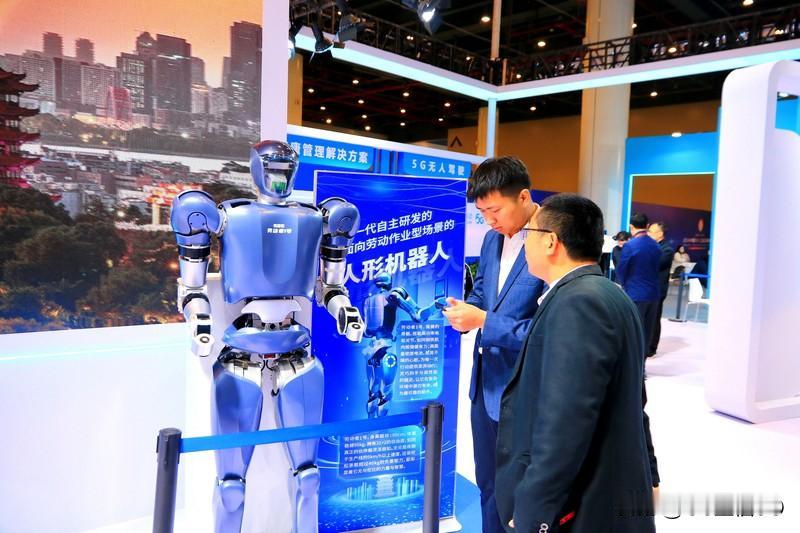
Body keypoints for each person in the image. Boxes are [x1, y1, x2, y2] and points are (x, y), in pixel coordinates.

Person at [495, 193, 656, 533]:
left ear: (550, 241)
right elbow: (635, 402)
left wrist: (534, 509)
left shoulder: (577, 303)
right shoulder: (609, 294)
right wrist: (651, 472)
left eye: (529, 234)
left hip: (584, 505)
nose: (524, 244)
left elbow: (565, 422)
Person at [442, 156, 544, 533]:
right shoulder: (491, 240)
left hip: (524, 389)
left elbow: (550, 331)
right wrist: (465, 311)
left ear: (524, 197)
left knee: (520, 492)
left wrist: (484, 320)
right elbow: (485, 291)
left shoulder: (552, 243)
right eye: (482, 212)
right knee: (487, 483)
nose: (489, 220)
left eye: (495, 210)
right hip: (484, 384)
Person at [616, 213, 661, 359]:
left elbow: (622, 270)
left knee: (633, 333)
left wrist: (624, 286)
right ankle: (642, 366)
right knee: (647, 333)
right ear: (647, 226)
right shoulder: (656, 245)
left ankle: (633, 368)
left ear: (631, 226)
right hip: (653, 294)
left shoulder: (630, 246)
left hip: (635, 294)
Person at [647, 221, 674, 356]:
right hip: (647, 288)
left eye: (651, 231)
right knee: (648, 318)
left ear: (660, 234)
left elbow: (654, 264)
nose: (648, 234)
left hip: (657, 289)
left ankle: (652, 347)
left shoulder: (667, 250)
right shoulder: (652, 247)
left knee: (655, 318)